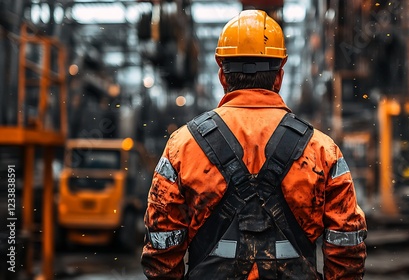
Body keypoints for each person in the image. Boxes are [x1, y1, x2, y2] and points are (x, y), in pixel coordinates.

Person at [141, 9, 367, 279]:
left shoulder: (182, 147)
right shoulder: (322, 151)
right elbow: (347, 246)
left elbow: (161, 247)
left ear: (222, 75)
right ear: (279, 76)